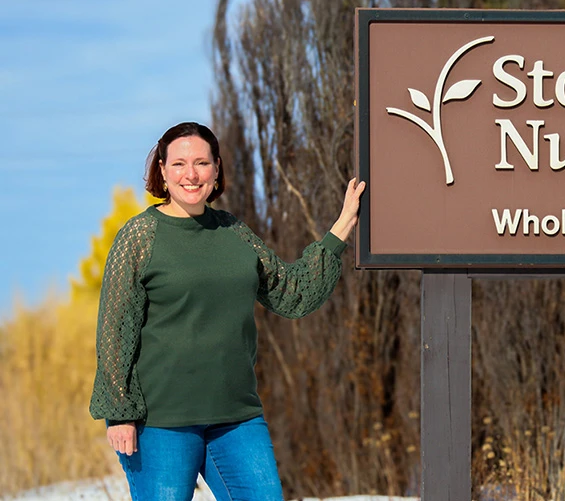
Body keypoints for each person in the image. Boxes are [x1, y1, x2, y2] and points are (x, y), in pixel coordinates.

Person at [89, 122, 365, 501]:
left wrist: (343, 224)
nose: (191, 174)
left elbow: (291, 294)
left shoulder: (235, 232)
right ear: (162, 172)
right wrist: (120, 412)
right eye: (179, 164)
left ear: (216, 169)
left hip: (236, 417)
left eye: (202, 162)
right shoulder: (139, 237)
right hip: (160, 424)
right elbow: (115, 329)